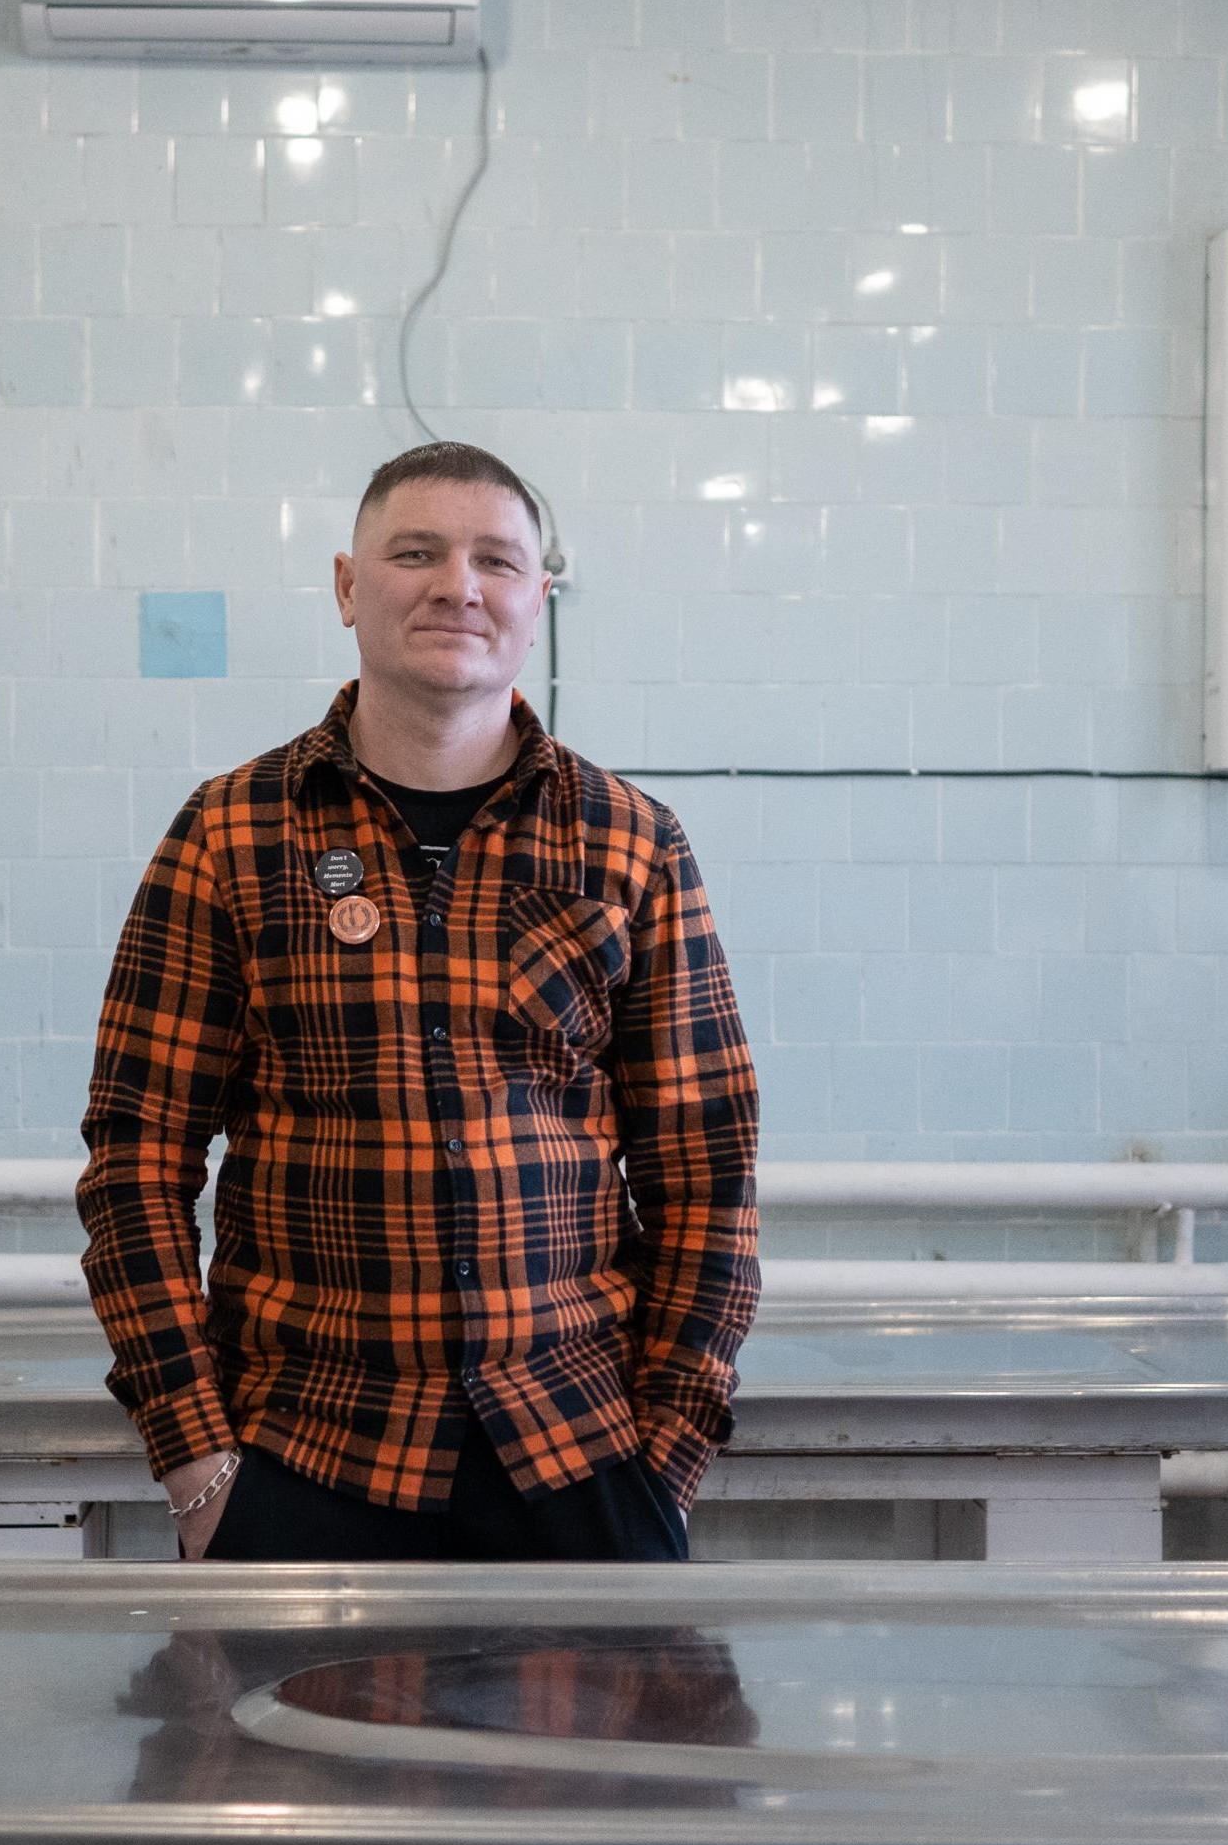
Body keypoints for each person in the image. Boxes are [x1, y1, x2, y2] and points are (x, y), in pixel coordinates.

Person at [76, 440, 761, 1563]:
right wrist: (195, 1458)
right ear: (349, 587)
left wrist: (669, 1453)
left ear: (538, 600)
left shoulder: (630, 842)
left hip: (579, 1456)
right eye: (415, 553)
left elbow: (706, 1166)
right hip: (304, 1456)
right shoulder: (231, 833)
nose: (458, 585)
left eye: (496, 559)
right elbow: (134, 1158)